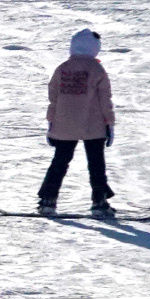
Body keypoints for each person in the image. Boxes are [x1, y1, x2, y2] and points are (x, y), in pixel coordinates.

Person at [38, 29, 116, 218]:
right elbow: (105, 99)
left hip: (64, 124)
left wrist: (51, 123)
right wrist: (109, 123)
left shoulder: (62, 68)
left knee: (60, 162)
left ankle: (48, 200)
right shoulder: (97, 69)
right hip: (94, 125)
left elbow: (53, 98)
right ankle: (99, 202)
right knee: (96, 164)